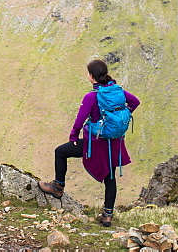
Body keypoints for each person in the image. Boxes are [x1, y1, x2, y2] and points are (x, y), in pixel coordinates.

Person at [38, 58, 140, 226]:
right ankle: (107, 215)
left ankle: (58, 187)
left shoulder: (92, 96)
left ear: (92, 76)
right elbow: (135, 102)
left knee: (60, 152)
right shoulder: (118, 92)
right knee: (111, 176)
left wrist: (73, 138)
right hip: (113, 143)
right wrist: (121, 116)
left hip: (95, 143)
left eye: (88, 73)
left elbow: (79, 121)